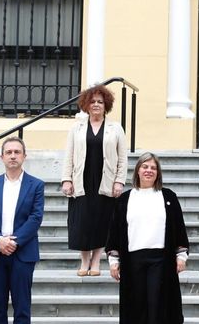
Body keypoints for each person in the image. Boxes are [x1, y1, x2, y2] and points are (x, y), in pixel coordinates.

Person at [106, 152, 189, 324]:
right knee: (136, 306)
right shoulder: (125, 199)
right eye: (145, 166)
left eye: (153, 168)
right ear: (137, 170)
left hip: (161, 260)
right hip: (132, 260)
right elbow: (114, 231)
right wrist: (114, 261)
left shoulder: (168, 197)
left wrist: (181, 256)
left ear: (158, 173)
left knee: (158, 305)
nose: (149, 170)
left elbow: (179, 228)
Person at [61, 84, 128, 276]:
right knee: (82, 222)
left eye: (100, 101)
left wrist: (119, 181)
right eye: (92, 101)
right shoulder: (77, 128)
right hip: (81, 180)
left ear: (105, 104)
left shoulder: (116, 128)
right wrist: (66, 179)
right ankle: (84, 261)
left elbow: (122, 158)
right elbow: (69, 155)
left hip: (104, 181)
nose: (96, 105)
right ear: (86, 104)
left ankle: (97, 261)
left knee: (101, 221)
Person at [0, 136, 45, 324]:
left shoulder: (36, 185)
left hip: (22, 253)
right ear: (2, 157)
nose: (13, 156)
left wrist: (14, 242)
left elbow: (35, 218)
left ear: (24, 156)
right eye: (9, 152)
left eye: (17, 152)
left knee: (22, 308)